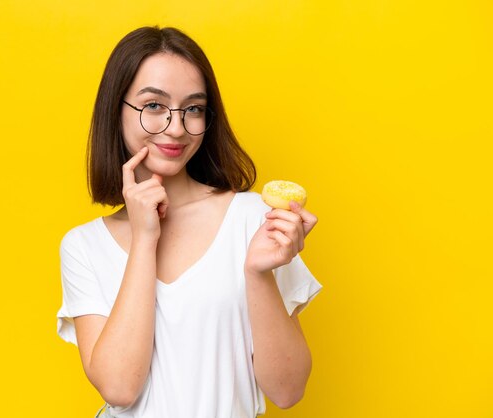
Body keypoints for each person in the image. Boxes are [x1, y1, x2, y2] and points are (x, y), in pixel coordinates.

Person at [56, 26, 323, 418]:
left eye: (194, 109)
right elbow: (119, 387)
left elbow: (287, 390)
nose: (177, 128)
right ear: (117, 109)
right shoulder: (83, 246)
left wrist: (258, 273)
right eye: (153, 106)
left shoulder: (252, 221)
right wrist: (146, 238)